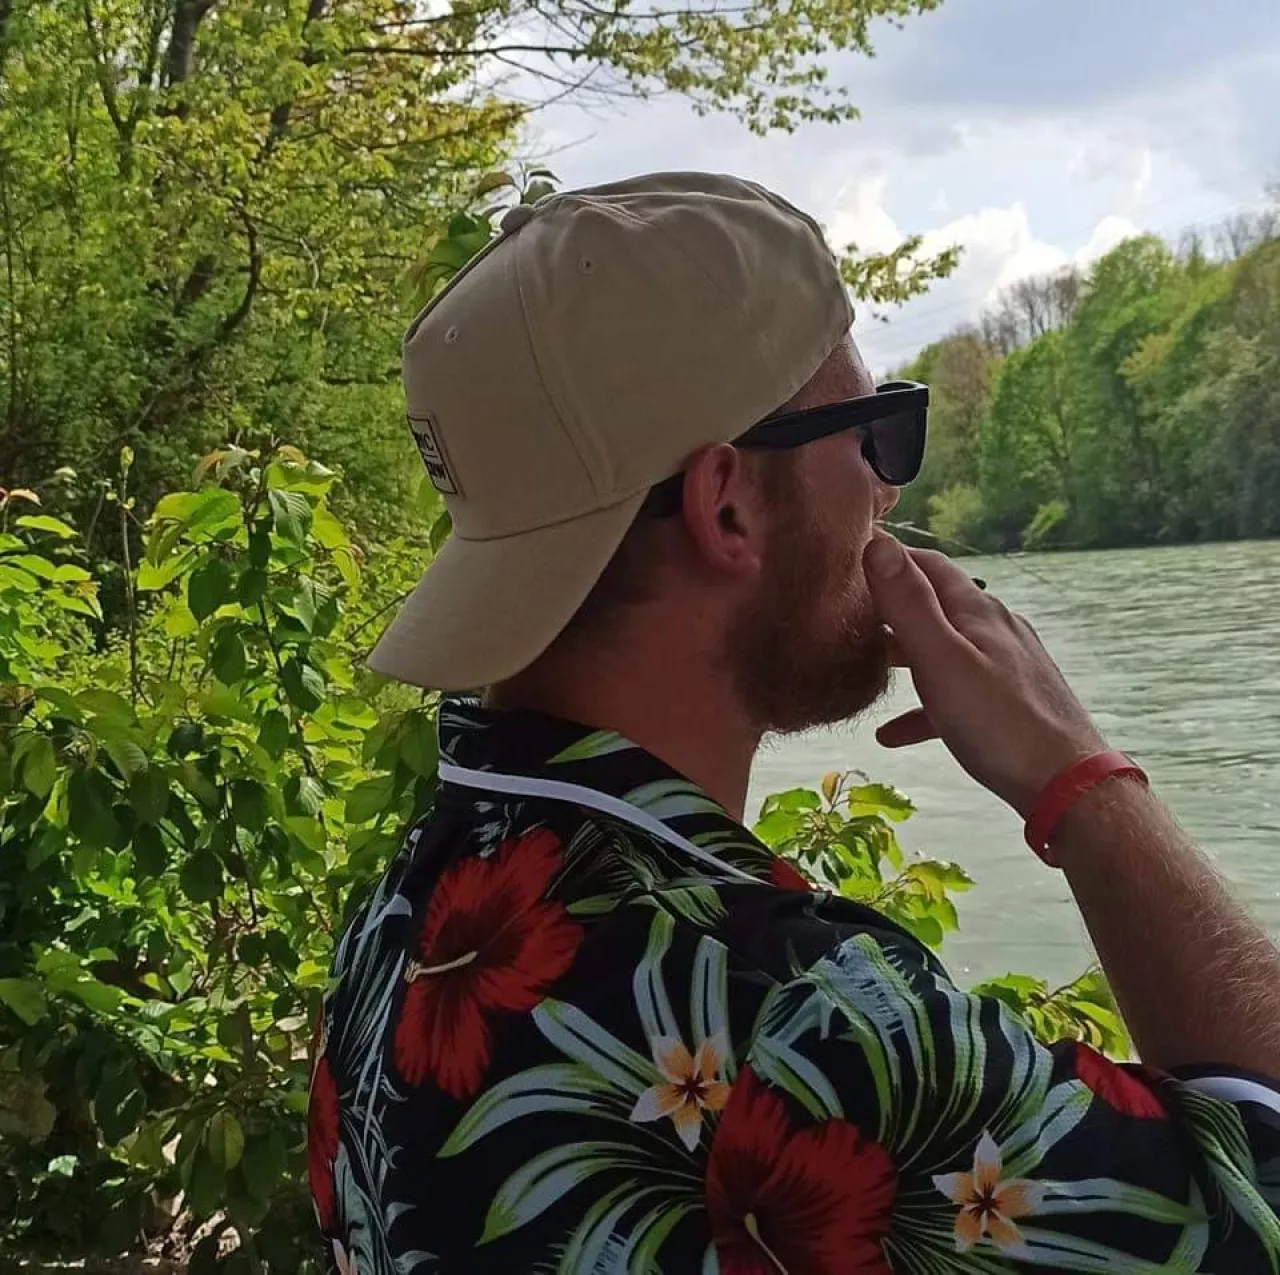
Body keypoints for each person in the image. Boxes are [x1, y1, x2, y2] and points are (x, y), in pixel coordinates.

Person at [308, 172, 1280, 1274]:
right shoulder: (808, 1021)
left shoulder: (394, 932)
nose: (889, 494)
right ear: (726, 504)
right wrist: (1082, 782)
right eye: (874, 435)